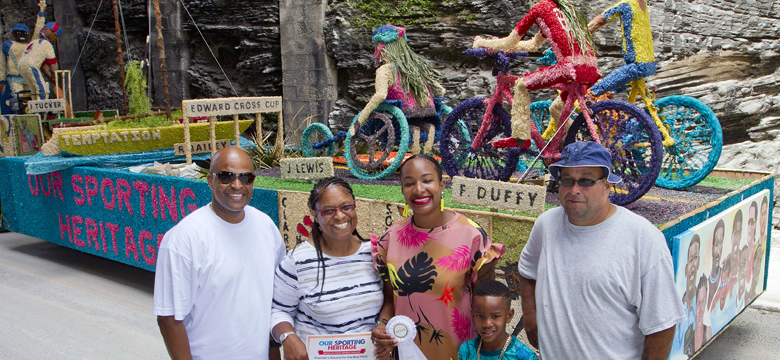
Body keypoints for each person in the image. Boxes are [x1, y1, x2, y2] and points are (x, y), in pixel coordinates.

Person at [517, 141, 684, 359]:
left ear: (607, 187)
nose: (574, 189)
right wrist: (530, 316)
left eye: (585, 180)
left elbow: (662, 324)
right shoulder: (546, 225)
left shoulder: (643, 238)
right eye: (567, 180)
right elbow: (527, 272)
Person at [153, 147, 286, 359]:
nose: (237, 185)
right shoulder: (185, 238)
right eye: (226, 176)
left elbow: (274, 300)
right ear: (210, 180)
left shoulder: (266, 226)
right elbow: (169, 318)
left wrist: (273, 352)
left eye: (246, 177)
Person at [372, 154, 505, 360]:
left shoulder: (472, 236)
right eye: (409, 183)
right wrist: (382, 325)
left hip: (457, 352)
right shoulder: (391, 238)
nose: (418, 189)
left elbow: (487, 306)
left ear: (442, 184)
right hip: (406, 352)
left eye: (427, 180)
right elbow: (390, 299)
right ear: (403, 191)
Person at [270, 177, 392, 359]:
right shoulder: (297, 261)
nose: (340, 216)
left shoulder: (375, 253)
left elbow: (389, 299)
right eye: (328, 211)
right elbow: (278, 310)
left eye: (346, 207)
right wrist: (288, 337)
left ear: (355, 206)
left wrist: (383, 324)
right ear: (314, 213)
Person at [472, 0, 600, 146]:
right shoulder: (562, 10)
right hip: (590, 67)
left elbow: (509, 41)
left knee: (521, 85)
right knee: (556, 108)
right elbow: (533, 44)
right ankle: (583, 144)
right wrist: (511, 49)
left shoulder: (540, 8)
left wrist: (482, 42)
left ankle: (521, 138)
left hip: (571, 66)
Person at [359, 25, 446, 155]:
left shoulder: (385, 70)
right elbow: (440, 90)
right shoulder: (416, 67)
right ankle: (427, 142)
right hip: (427, 109)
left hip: (403, 110)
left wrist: (362, 117)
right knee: (425, 126)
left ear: (382, 48)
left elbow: (381, 95)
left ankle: (414, 144)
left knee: (411, 127)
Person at [588, 0, 657, 97]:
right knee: (613, 89)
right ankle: (605, 97)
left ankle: (591, 94)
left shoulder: (626, 4)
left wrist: (581, 34)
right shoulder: (642, 4)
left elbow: (602, 19)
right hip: (649, 63)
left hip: (636, 63)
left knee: (594, 92)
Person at [458, 280, 537, 360]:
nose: (487, 324)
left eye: (495, 316)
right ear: (472, 315)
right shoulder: (467, 351)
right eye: (480, 316)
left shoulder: (523, 356)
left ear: (508, 316)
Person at [1, 0, 46, 97]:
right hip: (15, 77)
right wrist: (2, 80)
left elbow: (38, 31)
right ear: (13, 34)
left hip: (28, 75)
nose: (20, 35)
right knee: (19, 98)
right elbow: (2, 64)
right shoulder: (8, 45)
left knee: (31, 96)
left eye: (23, 33)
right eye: (18, 33)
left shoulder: (30, 44)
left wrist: (41, 14)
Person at [669, 234, 700, 358]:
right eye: (690, 259)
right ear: (686, 267)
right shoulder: (680, 304)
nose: (692, 265)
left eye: (696, 258)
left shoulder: (699, 301)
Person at [19, 21, 61, 100]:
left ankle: (33, 110)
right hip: (31, 65)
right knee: (42, 90)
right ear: (53, 33)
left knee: (33, 89)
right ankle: (41, 111)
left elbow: (44, 67)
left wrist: (51, 79)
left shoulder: (34, 42)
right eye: (55, 36)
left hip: (21, 65)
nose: (55, 39)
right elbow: (53, 65)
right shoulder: (46, 44)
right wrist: (55, 79)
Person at [683, 276, 711, 356]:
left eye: (703, 302)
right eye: (699, 303)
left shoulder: (708, 331)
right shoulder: (687, 335)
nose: (701, 309)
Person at [707, 219, 725, 308]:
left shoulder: (724, 277)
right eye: (716, 244)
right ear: (712, 246)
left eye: (720, 243)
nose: (718, 249)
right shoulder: (704, 282)